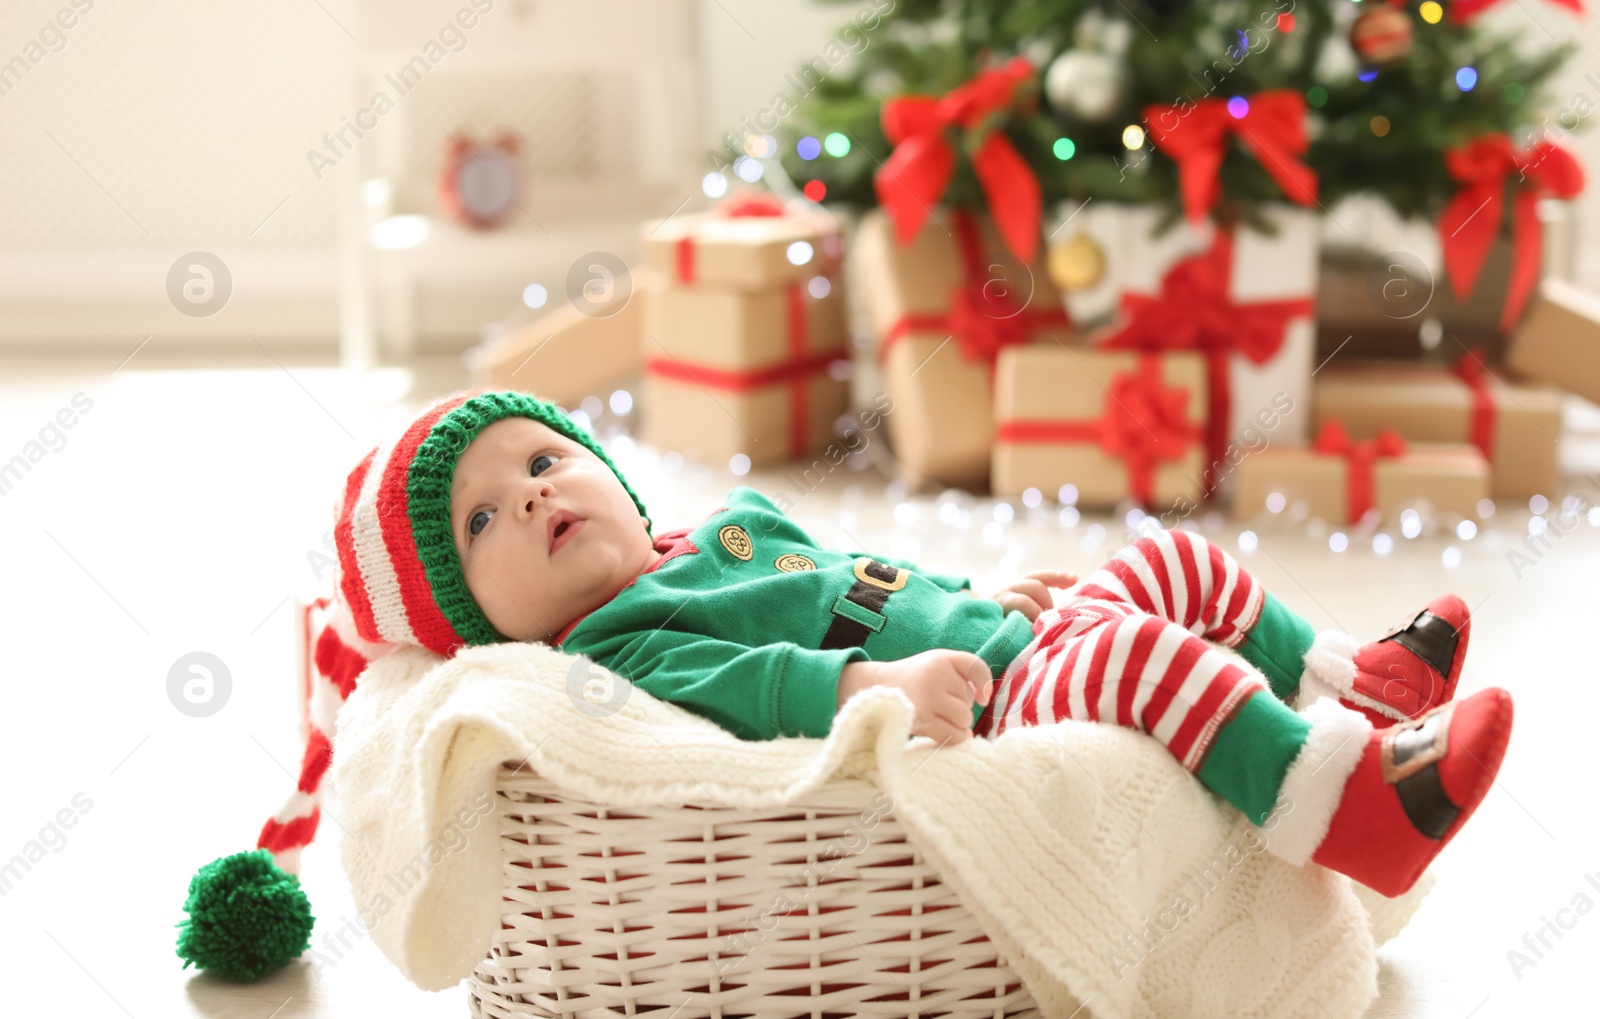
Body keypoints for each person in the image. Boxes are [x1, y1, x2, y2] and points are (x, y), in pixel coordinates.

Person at [179, 388, 1512, 982]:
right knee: (1139, 662)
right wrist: (862, 688)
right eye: (479, 525)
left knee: (1172, 563)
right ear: (482, 628)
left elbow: (871, 563)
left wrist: (1001, 601)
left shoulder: (718, 534)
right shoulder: (611, 650)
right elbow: (750, 683)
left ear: (608, 472)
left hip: (1000, 635)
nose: (527, 496)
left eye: (541, 461)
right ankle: (1341, 816)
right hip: (997, 695)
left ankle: (1364, 682)